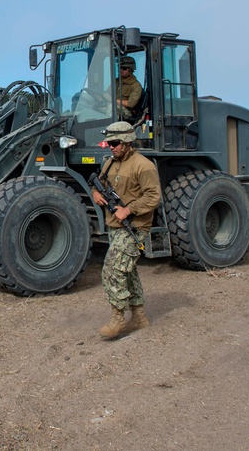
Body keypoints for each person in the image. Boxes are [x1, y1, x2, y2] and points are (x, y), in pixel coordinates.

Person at [92, 120, 161, 340]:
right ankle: (140, 317)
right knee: (127, 271)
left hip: (135, 226)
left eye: (115, 143)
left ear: (128, 142)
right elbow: (100, 183)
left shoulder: (144, 165)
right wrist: (96, 193)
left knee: (112, 269)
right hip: (114, 226)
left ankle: (118, 318)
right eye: (109, 142)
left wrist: (129, 209)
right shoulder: (110, 163)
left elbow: (153, 197)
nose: (111, 146)